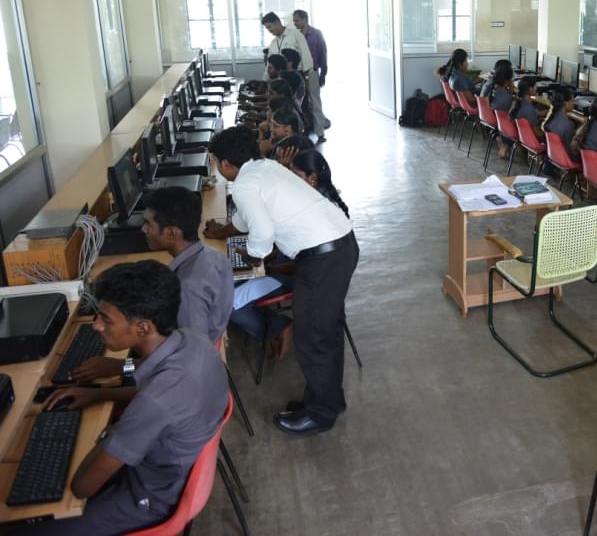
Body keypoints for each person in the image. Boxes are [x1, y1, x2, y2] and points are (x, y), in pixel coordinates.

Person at [18, 261, 227, 535]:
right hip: (168, 471)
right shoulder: (192, 340)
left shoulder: (154, 404)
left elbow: (82, 487)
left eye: (106, 318)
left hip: (149, 499)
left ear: (142, 328)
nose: (96, 325)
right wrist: (99, 395)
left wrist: (106, 432)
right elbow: (156, 395)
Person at [203, 127, 358, 436]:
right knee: (324, 332)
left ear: (225, 164)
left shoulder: (245, 184)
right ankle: (328, 400)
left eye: (216, 163)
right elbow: (248, 217)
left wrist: (255, 257)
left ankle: (321, 414)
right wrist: (221, 232)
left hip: (321, 258)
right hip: (340, 244)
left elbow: (260, 230)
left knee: (314, 337)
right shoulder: (265, 168)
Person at [71, 188, 234, 383]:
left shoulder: (188, 288)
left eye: (149, 224)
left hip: (191, 370)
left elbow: (188, 358)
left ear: (171, 233)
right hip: (205, 342)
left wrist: (120, 366)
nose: (143, 229)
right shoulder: (212, 255)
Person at [261, 12, 328, 142]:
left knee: (314, 103)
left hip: (304, 73)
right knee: (297, 107)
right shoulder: (274, 42)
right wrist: (264, 81)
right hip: (288, 79)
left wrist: (307, 76)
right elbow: (270, 64)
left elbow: (305, 54)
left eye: (270, 27)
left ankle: (320, 133)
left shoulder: (295, 34)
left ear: (277, 22)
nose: (270, 31)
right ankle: (300, 132)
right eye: (267, 29)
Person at [293, 9, 328, 90]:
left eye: (296, 21)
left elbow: (323, 54)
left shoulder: (316, 34)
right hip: (300, 72)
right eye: (294, 21)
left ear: (304, 19)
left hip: (313, 72)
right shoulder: (296, 35)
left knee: (314, 99)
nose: (294, 23)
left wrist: (323, 74)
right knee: (303, 99)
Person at [542, 88, 576, 154]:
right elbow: (570, 150)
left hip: (552, 155)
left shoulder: (551, 117)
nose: (574, 103)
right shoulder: (569, 124)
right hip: (563, 158)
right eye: (572, 101)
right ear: (565, 103)